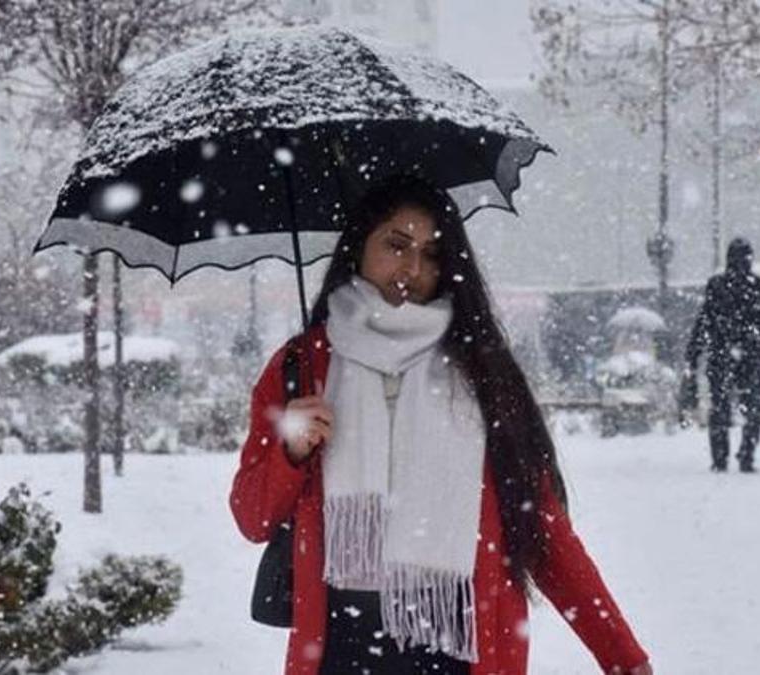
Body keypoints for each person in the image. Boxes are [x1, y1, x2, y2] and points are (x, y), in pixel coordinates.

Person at [230, 175, 652, 675]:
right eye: (396, 244)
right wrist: (292, 452)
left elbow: (543, 531)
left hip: (460, 645)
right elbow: (252, 516)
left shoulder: (481, 372)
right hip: (340, 648)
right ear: (358, 246)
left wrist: (623, 657)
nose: (411, 268)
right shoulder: (302, 367)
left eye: (431, 254)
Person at [679, 238, 760, 473]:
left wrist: (694, 354)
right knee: (752, 407)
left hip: (721, 355)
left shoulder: (717, 286)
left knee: (719, 407)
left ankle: (720, 457)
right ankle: (747, 454)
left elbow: (704, 322)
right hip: (752, 357)